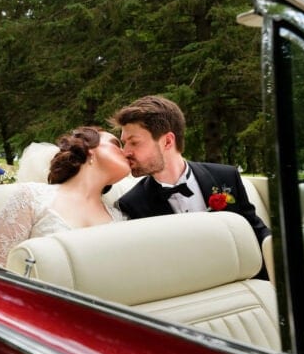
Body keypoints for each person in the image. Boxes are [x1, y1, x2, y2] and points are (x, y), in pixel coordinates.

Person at [108, 95, 271, 248]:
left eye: (134, 143)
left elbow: (258, 233)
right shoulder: (132, 204)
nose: (125, 152)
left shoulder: (226, 177)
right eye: (124, 143)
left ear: (167, 142)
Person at [0, 126, 130, 265]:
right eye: (117, 145)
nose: (127, 152)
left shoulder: (119, 219)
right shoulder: (31, 197)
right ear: (89, 150)